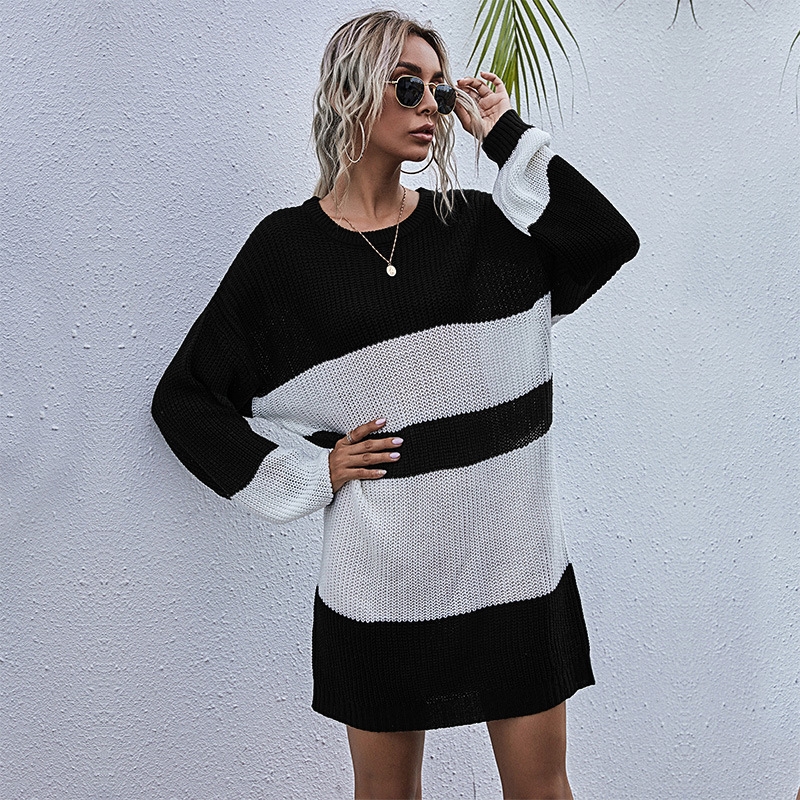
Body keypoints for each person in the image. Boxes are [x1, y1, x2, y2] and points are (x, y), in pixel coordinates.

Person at [150, 9, 640, 799]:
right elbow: (186, 399)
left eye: (439, 91)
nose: (429, 107)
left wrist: (504, 134)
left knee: (542, 789)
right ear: (351, 92)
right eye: (408, 86)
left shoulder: (477, 228)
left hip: (513, 570)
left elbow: (605, 241)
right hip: (379, 587)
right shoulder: (286, 255)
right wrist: (309, 474)